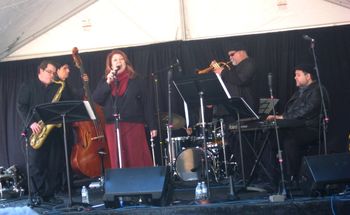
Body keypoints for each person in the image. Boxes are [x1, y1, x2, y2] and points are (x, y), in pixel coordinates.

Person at [16, 60, 72, 205]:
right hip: (36, 130)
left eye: (54, 73)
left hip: (53, 131)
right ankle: (37, 195)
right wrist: (31, 123)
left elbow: (68, 102)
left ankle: (50, 195)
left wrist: (63, 81)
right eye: (50, 72)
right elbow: (21, 106)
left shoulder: (57, 86)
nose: (52, 75)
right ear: (40, 71)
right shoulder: (28, 86)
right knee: (37, 164)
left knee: (53, 164)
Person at [92, 50, 157, 169]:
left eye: (121, 59)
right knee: (117, 157)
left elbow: (147, 103)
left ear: (125, 62)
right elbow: (96, 99)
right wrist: (108, 82)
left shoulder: (136, 80)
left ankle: (140, 183)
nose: (118, 62)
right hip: (112, 126)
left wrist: (152, 125)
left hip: (133, 125)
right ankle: (121, 184)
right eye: (115, 60)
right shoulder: (105, 80)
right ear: (110, 65)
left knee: (136, 157)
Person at [266, 63, 329, 185]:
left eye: (298, 75)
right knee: (271, 137)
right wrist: (279, 117)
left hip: (311, 128)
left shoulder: (318, 90)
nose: (295, 77)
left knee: (290, 140)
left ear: (308, 76)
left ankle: (294, 178)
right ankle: (274, 177)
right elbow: (291, 111)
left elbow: (307, 110)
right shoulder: (298, 93)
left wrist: (282, 117)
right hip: (296, 127)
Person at [212, 42, 256, 110]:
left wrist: (222, 71)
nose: (230, 58)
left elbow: (240, 79)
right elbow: (231, 80)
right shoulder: (236, 67)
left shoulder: (249, 63)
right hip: (235, 106)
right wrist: (218, 69)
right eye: (229, 56)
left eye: (232, 54)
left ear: (241, 52)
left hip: (246, 105)